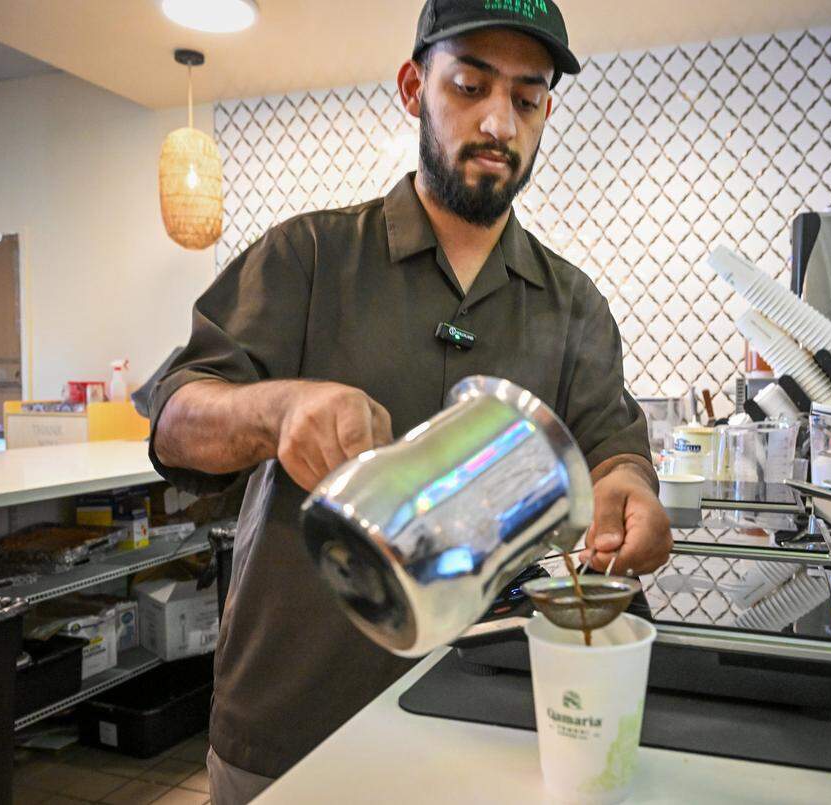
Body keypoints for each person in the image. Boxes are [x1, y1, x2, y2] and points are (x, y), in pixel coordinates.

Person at [149, 1, 673, 802]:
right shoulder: (308, 255)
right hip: (293, 725)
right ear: (412, 87)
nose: (499, 121)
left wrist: (627, 491)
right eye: (470, 86)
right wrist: (276, 411)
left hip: (493, 729)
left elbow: (613, 452)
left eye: (527, 98)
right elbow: (175, 419)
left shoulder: (573, 304)